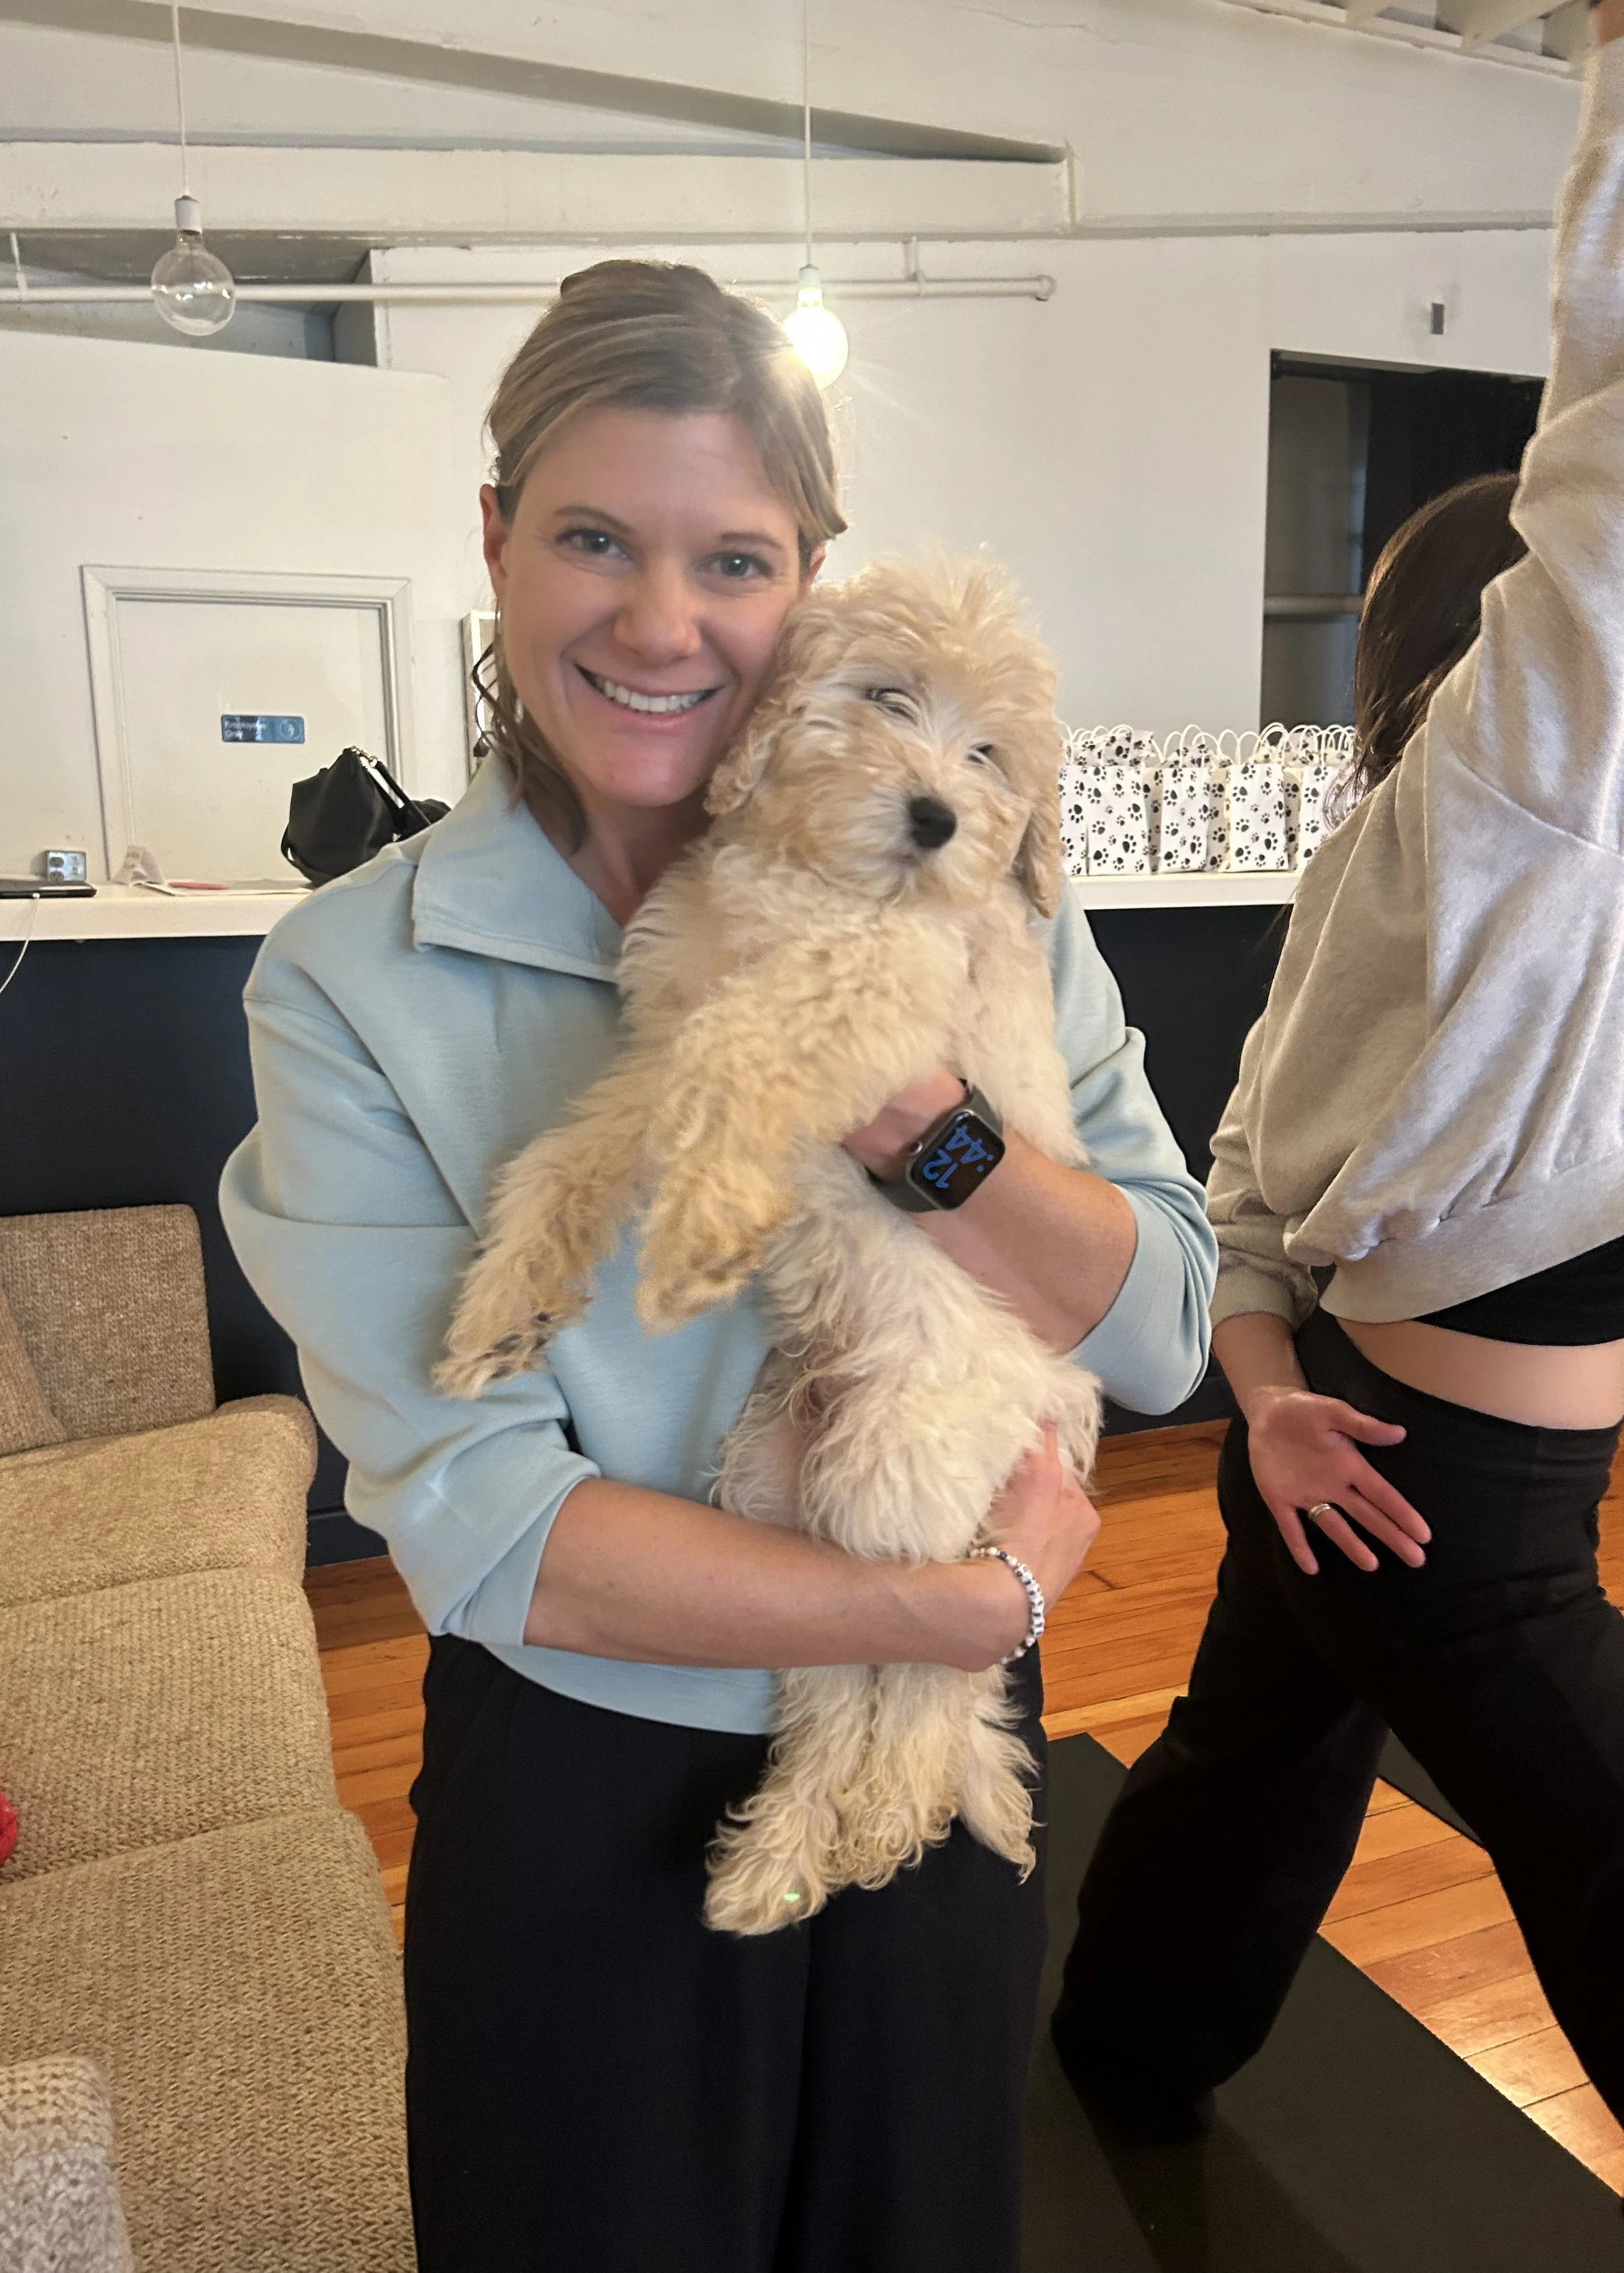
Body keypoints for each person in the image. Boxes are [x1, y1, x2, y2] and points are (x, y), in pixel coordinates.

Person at [220, 259, 1216, 2272]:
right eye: (594, 538)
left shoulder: (984, 890)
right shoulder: (350, 981)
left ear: (814, 583)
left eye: (733, 559)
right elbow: (498, 1528)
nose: (662, 622)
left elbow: (1162, 1320)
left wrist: (906, 1114)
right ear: (494, 538)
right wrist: (970, 1601)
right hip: (589, 1791)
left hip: (925, 1788)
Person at [1053, 3, 1624, 2145]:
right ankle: (1121, 2044)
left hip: (1346, 1461)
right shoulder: (1510, 813)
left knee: (1246, 1767)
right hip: (1439, 1519)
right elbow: (1608, 474)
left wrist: (1266, 1389)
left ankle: (1122, 2052)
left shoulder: (1426, 874)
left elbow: (1247, 1173)